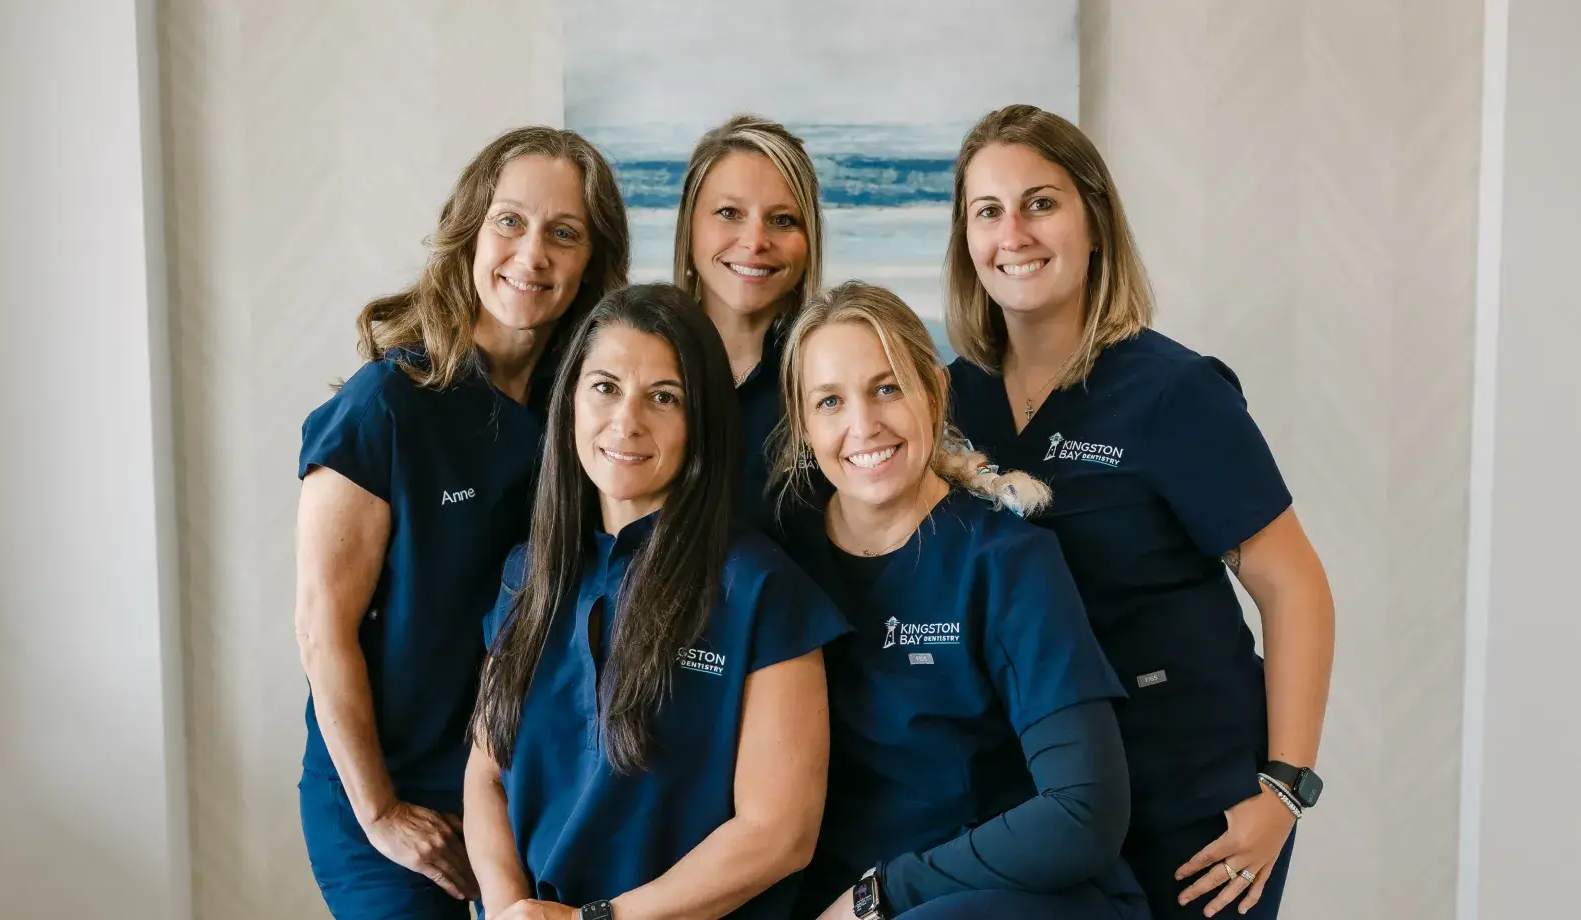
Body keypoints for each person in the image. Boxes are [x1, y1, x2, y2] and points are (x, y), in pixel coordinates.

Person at [944, 105, 1335, 919]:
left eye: (1041, 202)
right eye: (988, 211)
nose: (1012, 232)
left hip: (1191, 806)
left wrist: (1285, 790)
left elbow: (1293, 585)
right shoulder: (951, 400)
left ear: (1093, 224)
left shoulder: (1173, 393)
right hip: (1037, 802)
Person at [293, 126, 629, 919]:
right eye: (510, 221)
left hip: (525, 802)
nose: (532, 253)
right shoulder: (385, 406)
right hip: (389, 797)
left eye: (564, 233)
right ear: (470, 229)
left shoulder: (582, 414)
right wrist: (381, 815)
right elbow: (321, 628)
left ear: (591, 262)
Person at [465, 283, 850, 920]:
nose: (627, 421)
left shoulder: (760, 588)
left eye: (663, 398)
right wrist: (511, 909)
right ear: (570, 403)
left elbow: (779, 835)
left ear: (700, 421)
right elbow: (485, 774)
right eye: (605, 387)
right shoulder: (525, 575)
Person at [775, 281, 1151, 920]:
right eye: (831, 401)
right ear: (803, 424)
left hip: (1006, 900)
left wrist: (884, 894)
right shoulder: (777, 561)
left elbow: (1085, 811)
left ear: (934, 393)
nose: (863, 425)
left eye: (887, 388)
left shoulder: (1006, 561)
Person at [673, 114, 824, 524]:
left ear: (808, 243)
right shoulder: (637, 363)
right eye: (728, 212)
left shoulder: (835, 375)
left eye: (782, 220)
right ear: (689, 228)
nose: (756, 241)